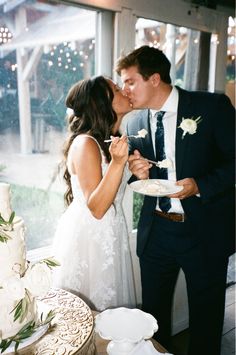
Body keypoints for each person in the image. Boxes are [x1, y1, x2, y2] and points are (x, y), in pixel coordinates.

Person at [115, 45, 235, 355]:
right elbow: (136, 174)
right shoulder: (132, 121)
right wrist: (135, 171)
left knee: (206, 320)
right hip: (156, 233)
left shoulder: (212, 107)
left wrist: (199, 186)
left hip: (203, 232)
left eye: (130, 81)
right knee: (151, 321)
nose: (124, 89)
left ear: (154, 79)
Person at [53, 76, 136, 311]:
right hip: (91, 241)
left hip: (111, 234)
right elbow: (97, 208)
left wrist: (133, 170)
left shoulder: (108, 140)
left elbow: (112, 189)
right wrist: (119, 164)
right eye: (117, 89)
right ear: (102, 103)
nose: (124, 91)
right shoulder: (85, 144)